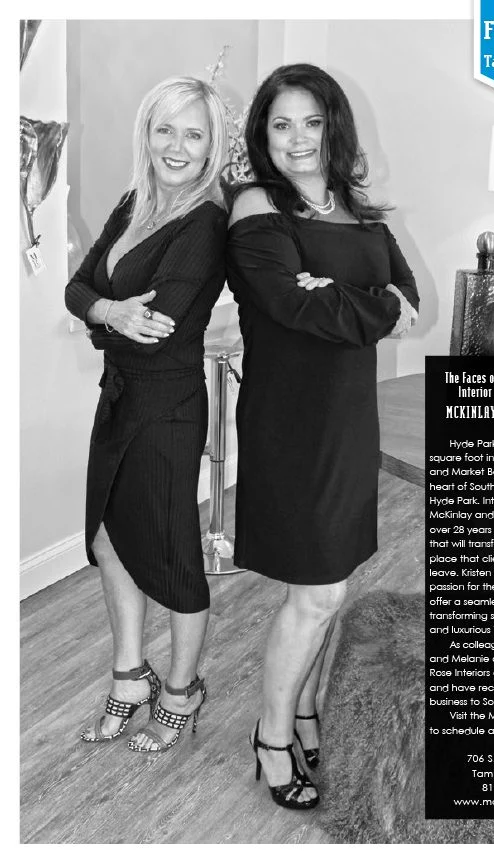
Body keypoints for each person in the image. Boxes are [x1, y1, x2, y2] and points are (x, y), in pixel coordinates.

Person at [225, 63, 419, 809]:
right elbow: (290, 306)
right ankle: (271, 737)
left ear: (333, 127)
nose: (298, 138)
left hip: (347, 416)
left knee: (324, 582)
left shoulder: (360, 212)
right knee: (319, 591)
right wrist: (365, 301)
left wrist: (341, 294)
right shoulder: (256, 206)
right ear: (263, 136)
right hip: (292, 420)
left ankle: (304, 712)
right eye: (281, 124)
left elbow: (408, 301)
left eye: (311, 122)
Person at [65, 76, 228, 752]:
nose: (177, 146)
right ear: (147, 134)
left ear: (212, 145)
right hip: (118, 397)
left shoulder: (206, 221)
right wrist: (108, 311)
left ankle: (182, 690)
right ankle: (130, 678)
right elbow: (77, 288)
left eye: (193, 134)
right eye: (165, 129)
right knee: (108, 539)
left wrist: (101, 316)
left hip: (166, 408)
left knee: (172, 554)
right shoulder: (135, 202)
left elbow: (157, 329)